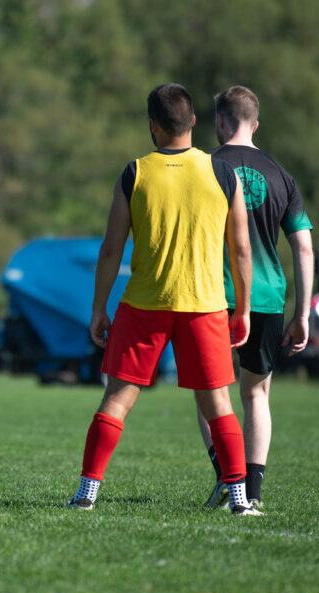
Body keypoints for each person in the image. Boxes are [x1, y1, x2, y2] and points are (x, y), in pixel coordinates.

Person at [65, 83, 262, 516]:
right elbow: (242, 249)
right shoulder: (223, 173)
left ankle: (86, 493)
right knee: (219, 404)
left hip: (143, 305)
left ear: (153, 126)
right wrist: (243, 307)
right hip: (205, 304)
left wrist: (99, 308)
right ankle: (240, 500)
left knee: (116, 400)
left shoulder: (135, 173)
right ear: (193, 122)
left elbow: (112, 248)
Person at [197, 85, 315, 510]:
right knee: (256, 396)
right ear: (256, 123)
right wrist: (302, 313)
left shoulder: (205, 167)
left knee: (210, 391)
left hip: (211, 295)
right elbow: (303, 246)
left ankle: (228, 479)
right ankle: (254, 491)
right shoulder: (281, 175)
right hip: (267, 296)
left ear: (221, 122)